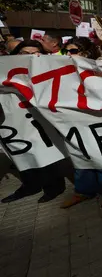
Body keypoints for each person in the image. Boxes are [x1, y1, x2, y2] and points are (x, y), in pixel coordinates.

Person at [60, 38, 102, 208]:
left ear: (85, 53)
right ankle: (83, 191)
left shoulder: (98, 66)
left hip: (98, 118)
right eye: (66, 51)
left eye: (73, 51)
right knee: (79, 153)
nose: (68, 54)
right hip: (74, 118)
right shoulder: (61, 67)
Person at [1, 39, 67, 203]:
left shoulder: (49, 67)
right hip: (12, 117)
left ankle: (54, 187)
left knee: (45, 151)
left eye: (34, 53)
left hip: (39, 118)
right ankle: (30, 185)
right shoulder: (4, 69)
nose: (30, 57)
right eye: (24, 54)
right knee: (19, 152)